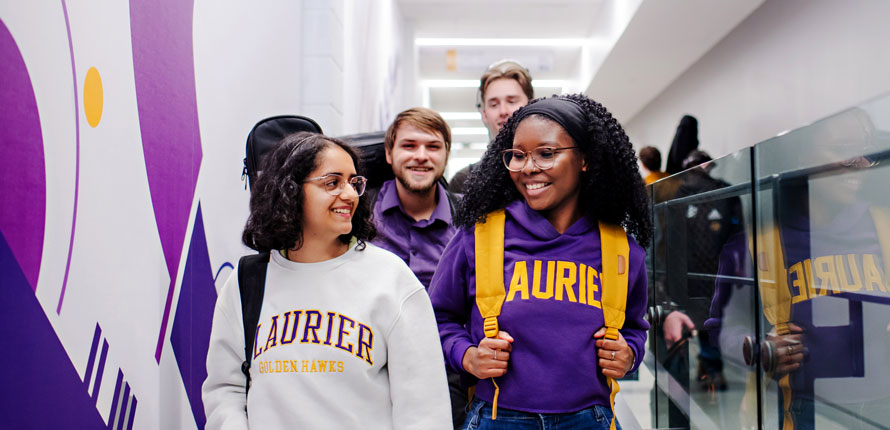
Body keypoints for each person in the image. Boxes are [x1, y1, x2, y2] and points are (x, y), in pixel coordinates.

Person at [430, 94, 653, 429]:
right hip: (498, 417)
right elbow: (436, 318)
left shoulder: (620, 250)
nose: (529, 167)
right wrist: (468, 356)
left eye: (546, 154)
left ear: (585, 159)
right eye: (517, 156)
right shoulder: (479, 237)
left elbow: (635, 328)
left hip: (589, 419)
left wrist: (630, 353)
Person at [202, 132, 451, 429]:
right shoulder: (248, 282)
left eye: (354, 182)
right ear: (290, 191)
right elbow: (225, 389)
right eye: (332, 183)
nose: (349, 194)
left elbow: (424, 409)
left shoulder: (391, 279)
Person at [372, 107, 459, 289]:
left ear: (446, 155)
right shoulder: (360, 210)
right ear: (389, 153)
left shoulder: (470, 217)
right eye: (409, 146)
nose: (421, 156)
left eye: (433, 147)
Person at [449, 60, 533, 193]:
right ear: (484, 115)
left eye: (512, 101)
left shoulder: (548, 172)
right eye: (494, 104)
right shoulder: (464, 181)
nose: (503, 111)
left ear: (531, 105)